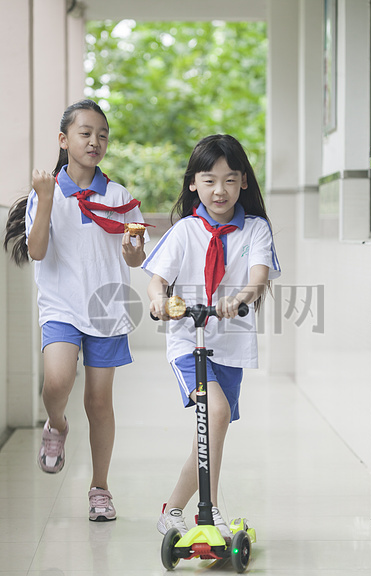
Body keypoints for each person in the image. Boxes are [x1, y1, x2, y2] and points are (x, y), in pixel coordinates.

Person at [3, 99, 148, 521]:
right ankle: (57, 426)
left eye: (102, 135)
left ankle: (100, 488)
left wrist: (133, 250)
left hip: (106, 309)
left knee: (100, 403)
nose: (95, 141)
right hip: (62, 306)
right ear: (64, 141)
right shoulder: (45, 192)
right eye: (85, 133)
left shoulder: (120, 196)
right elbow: (37, 249)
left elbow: (136, 259)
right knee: (57, 383)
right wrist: (46, 197)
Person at [143, 134, 281, 539]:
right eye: (209, 180)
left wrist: (238, 298)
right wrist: (158, 302)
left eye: (230, 179)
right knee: (215, 415)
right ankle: (211, 511)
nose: (219, 190)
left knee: (209, 430)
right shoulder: (185, 231)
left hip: (232, 346)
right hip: (189, 341)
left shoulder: (255, 229)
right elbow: (157, 282)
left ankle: (172, 510)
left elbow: (258, 279)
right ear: (193, 184)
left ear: (243, 183)